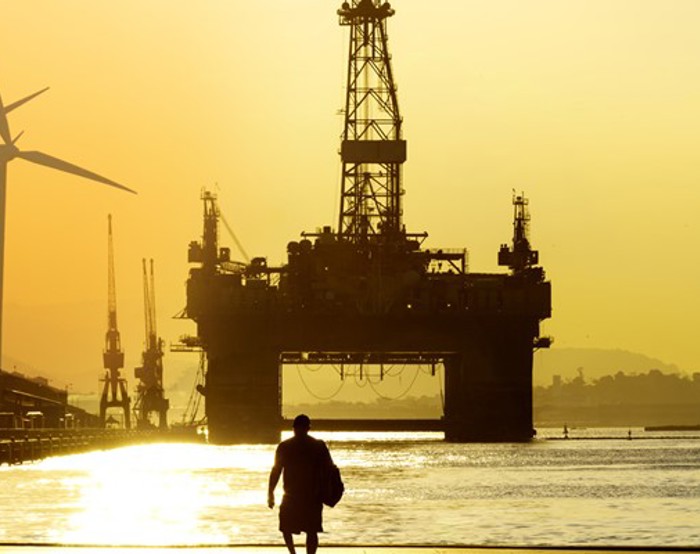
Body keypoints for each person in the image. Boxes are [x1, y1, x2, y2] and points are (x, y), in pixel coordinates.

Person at [268, 414, 333, 554]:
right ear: (307, 428)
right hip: (307, 495)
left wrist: (271, 493)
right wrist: (270, 493)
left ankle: (293, 553)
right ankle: (294, 553)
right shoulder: (317, 446)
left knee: (301, 529)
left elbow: (276, 471)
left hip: (300, 495)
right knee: (303, 529)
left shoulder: (286, 446)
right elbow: (330, 470)